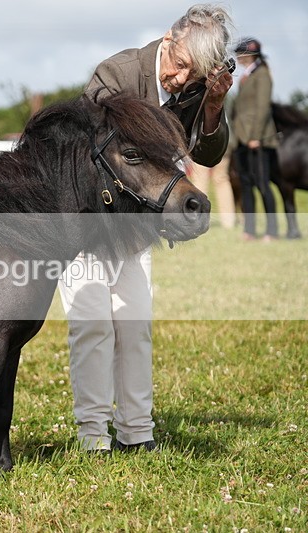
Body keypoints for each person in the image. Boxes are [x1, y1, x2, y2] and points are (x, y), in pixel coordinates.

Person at [58, 4, 234, 453]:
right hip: (87, 220)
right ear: (168, 39)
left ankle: (137, 433)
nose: (179, 79)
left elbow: (210, 155)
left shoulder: (197, 88)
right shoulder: (115, 74)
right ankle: (93, 436)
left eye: (191, 74)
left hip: (137, 228)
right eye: (178, 66)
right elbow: (92, 149)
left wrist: (212, 105)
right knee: (93, 325)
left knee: (135, 327)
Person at [230, 38, 279, 242]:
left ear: (248, 55)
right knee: (246, 184)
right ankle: (249, 230)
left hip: (257, 139)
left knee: (262, 184)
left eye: (240, 54)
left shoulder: (262, 75)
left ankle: (272, 231)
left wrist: (255, 137)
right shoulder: (248, 75)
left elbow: (262, 108)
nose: (237, 58)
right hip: (242, 139)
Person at [189, 149, 236, 229]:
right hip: (223, 145)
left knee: (200, 179)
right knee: (221, 180)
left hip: (201, 147)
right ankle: (228, 221)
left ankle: (199, 220)